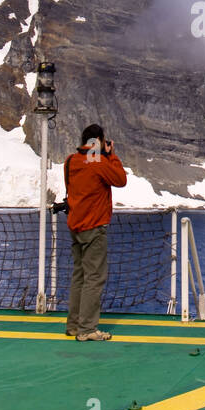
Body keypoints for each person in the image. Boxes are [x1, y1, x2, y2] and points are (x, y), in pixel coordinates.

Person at [64, 123, 127, 341]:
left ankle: (73, 324)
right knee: (94, 277)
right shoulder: (98, 162)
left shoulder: (71, 161)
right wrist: (112, 156)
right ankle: (87, 329)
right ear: (98, 141)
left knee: (79, 275)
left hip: (75, 226)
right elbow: (120, 179)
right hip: (94, 227)